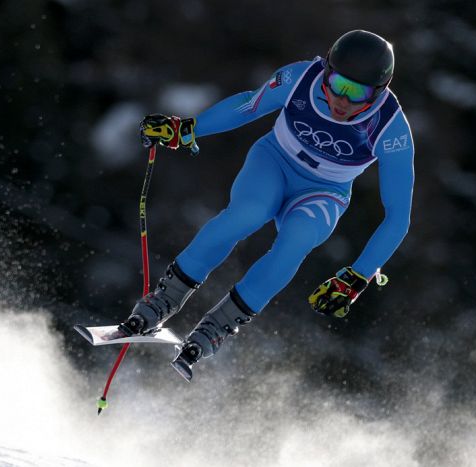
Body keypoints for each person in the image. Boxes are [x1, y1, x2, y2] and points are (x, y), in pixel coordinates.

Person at [119, 30, 414, 381]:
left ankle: (219, 326)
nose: (342, 99)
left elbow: (398, 217)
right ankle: (163, 299)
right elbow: (248, 104)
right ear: (326, 69)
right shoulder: (301, 77)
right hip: (274, 161)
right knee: (247, 214)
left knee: (297, 241)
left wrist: (357, 277)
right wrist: (188, 129)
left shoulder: (392, 129)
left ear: (379, 91)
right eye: (336, 83)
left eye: (357, 92)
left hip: (325, 191)